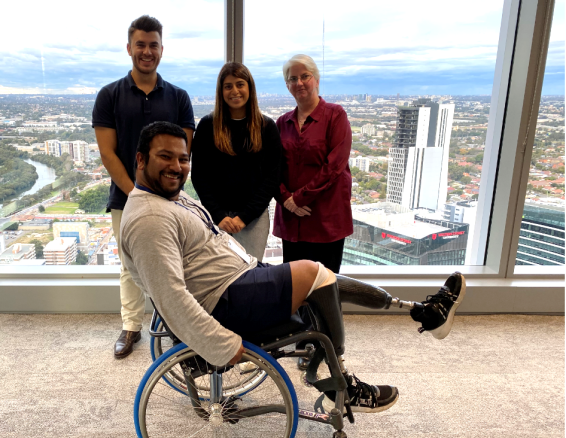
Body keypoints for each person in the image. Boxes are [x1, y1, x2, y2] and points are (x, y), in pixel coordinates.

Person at [120, 122, 466, 413]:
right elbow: (170, 297)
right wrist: (219, 344)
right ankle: (341, 387)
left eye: (182, 159)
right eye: (165, 157)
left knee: (322, 281)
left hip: (235, 280)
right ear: (140, 159)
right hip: (222, 300)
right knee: (314, 273)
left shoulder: (167, 199)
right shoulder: (150, 219)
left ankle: (422, 311)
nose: (177, 166)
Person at [92, 15, 195, 359]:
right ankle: (131, 325)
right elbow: (108, 153)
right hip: (126, 197)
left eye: (153, 45)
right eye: (141, 44)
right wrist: (137, 192)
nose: (147, 51)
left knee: (174, 264)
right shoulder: (108, 96)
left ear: (161, 50)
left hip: (172, 199)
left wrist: (164, 192)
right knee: (128, 263)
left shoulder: (179, 97)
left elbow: (184, 153)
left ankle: (178, 322)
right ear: (129, 48)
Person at [191, 63, 283, 261]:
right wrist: (218, 215)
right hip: (214, 219)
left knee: (249, 277)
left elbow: (272, 177)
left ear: (250, 87)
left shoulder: (266, 127)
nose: (234, 91)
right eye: (228, 86)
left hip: (254, 220)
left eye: (240, 84)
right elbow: (199, 175)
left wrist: (245, 217)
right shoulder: (208, 126)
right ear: (220, 91)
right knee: (216, 279)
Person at [274, 54, 352, 274]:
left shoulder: (336, 115)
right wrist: (285, 199)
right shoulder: (282, 123)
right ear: (287, 85)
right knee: (294, 286)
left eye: (305, 76)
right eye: (292, 79)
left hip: (326, 217)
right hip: (292, 218)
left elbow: (334, 166)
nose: (299, 83)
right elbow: (272, 168)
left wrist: (297, 198)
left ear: (316, 80)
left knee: (325, 287)